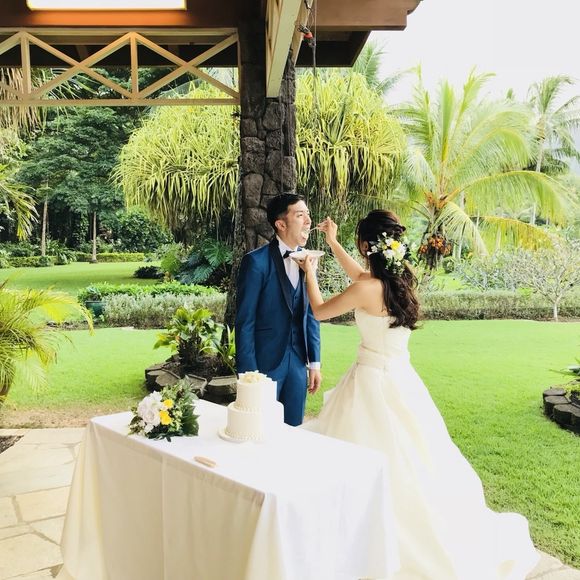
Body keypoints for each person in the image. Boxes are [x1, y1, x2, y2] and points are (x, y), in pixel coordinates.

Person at [299, 210, 539, 579]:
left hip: (372, 384)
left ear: (365, 245)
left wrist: (310, 271)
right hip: (399, 379)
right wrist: (332, 243)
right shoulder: (397, 280)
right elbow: (359, 276)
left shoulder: (367, 288)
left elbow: (318, 311)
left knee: (370, 458)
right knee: (412, 457)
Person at [235, 193, 322, 426]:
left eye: (308, 215)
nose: (308, 221)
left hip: (298, 364)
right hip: (264, 365)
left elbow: (312, 313)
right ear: (281, 224)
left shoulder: (309, 261)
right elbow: (245, 322)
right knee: (260, 428)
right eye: (300, 215)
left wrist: (314, 363)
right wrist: (248, 374)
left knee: (294, 428)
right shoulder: (256, 262)